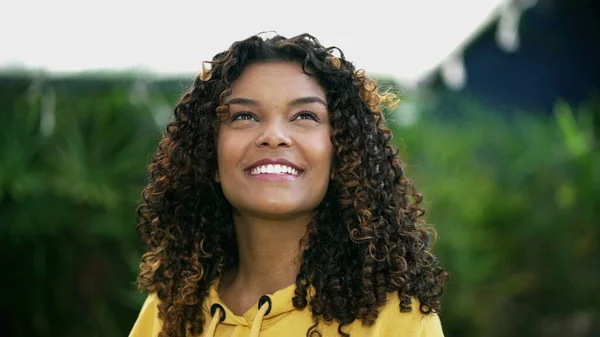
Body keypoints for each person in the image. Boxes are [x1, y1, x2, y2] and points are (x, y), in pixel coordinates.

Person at [129, 33, 447, 337]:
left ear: (341, 155)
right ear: (209, 156)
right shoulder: (169, 311)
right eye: (244, 116)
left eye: (305, 115)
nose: (274, 135)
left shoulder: (395, 321)